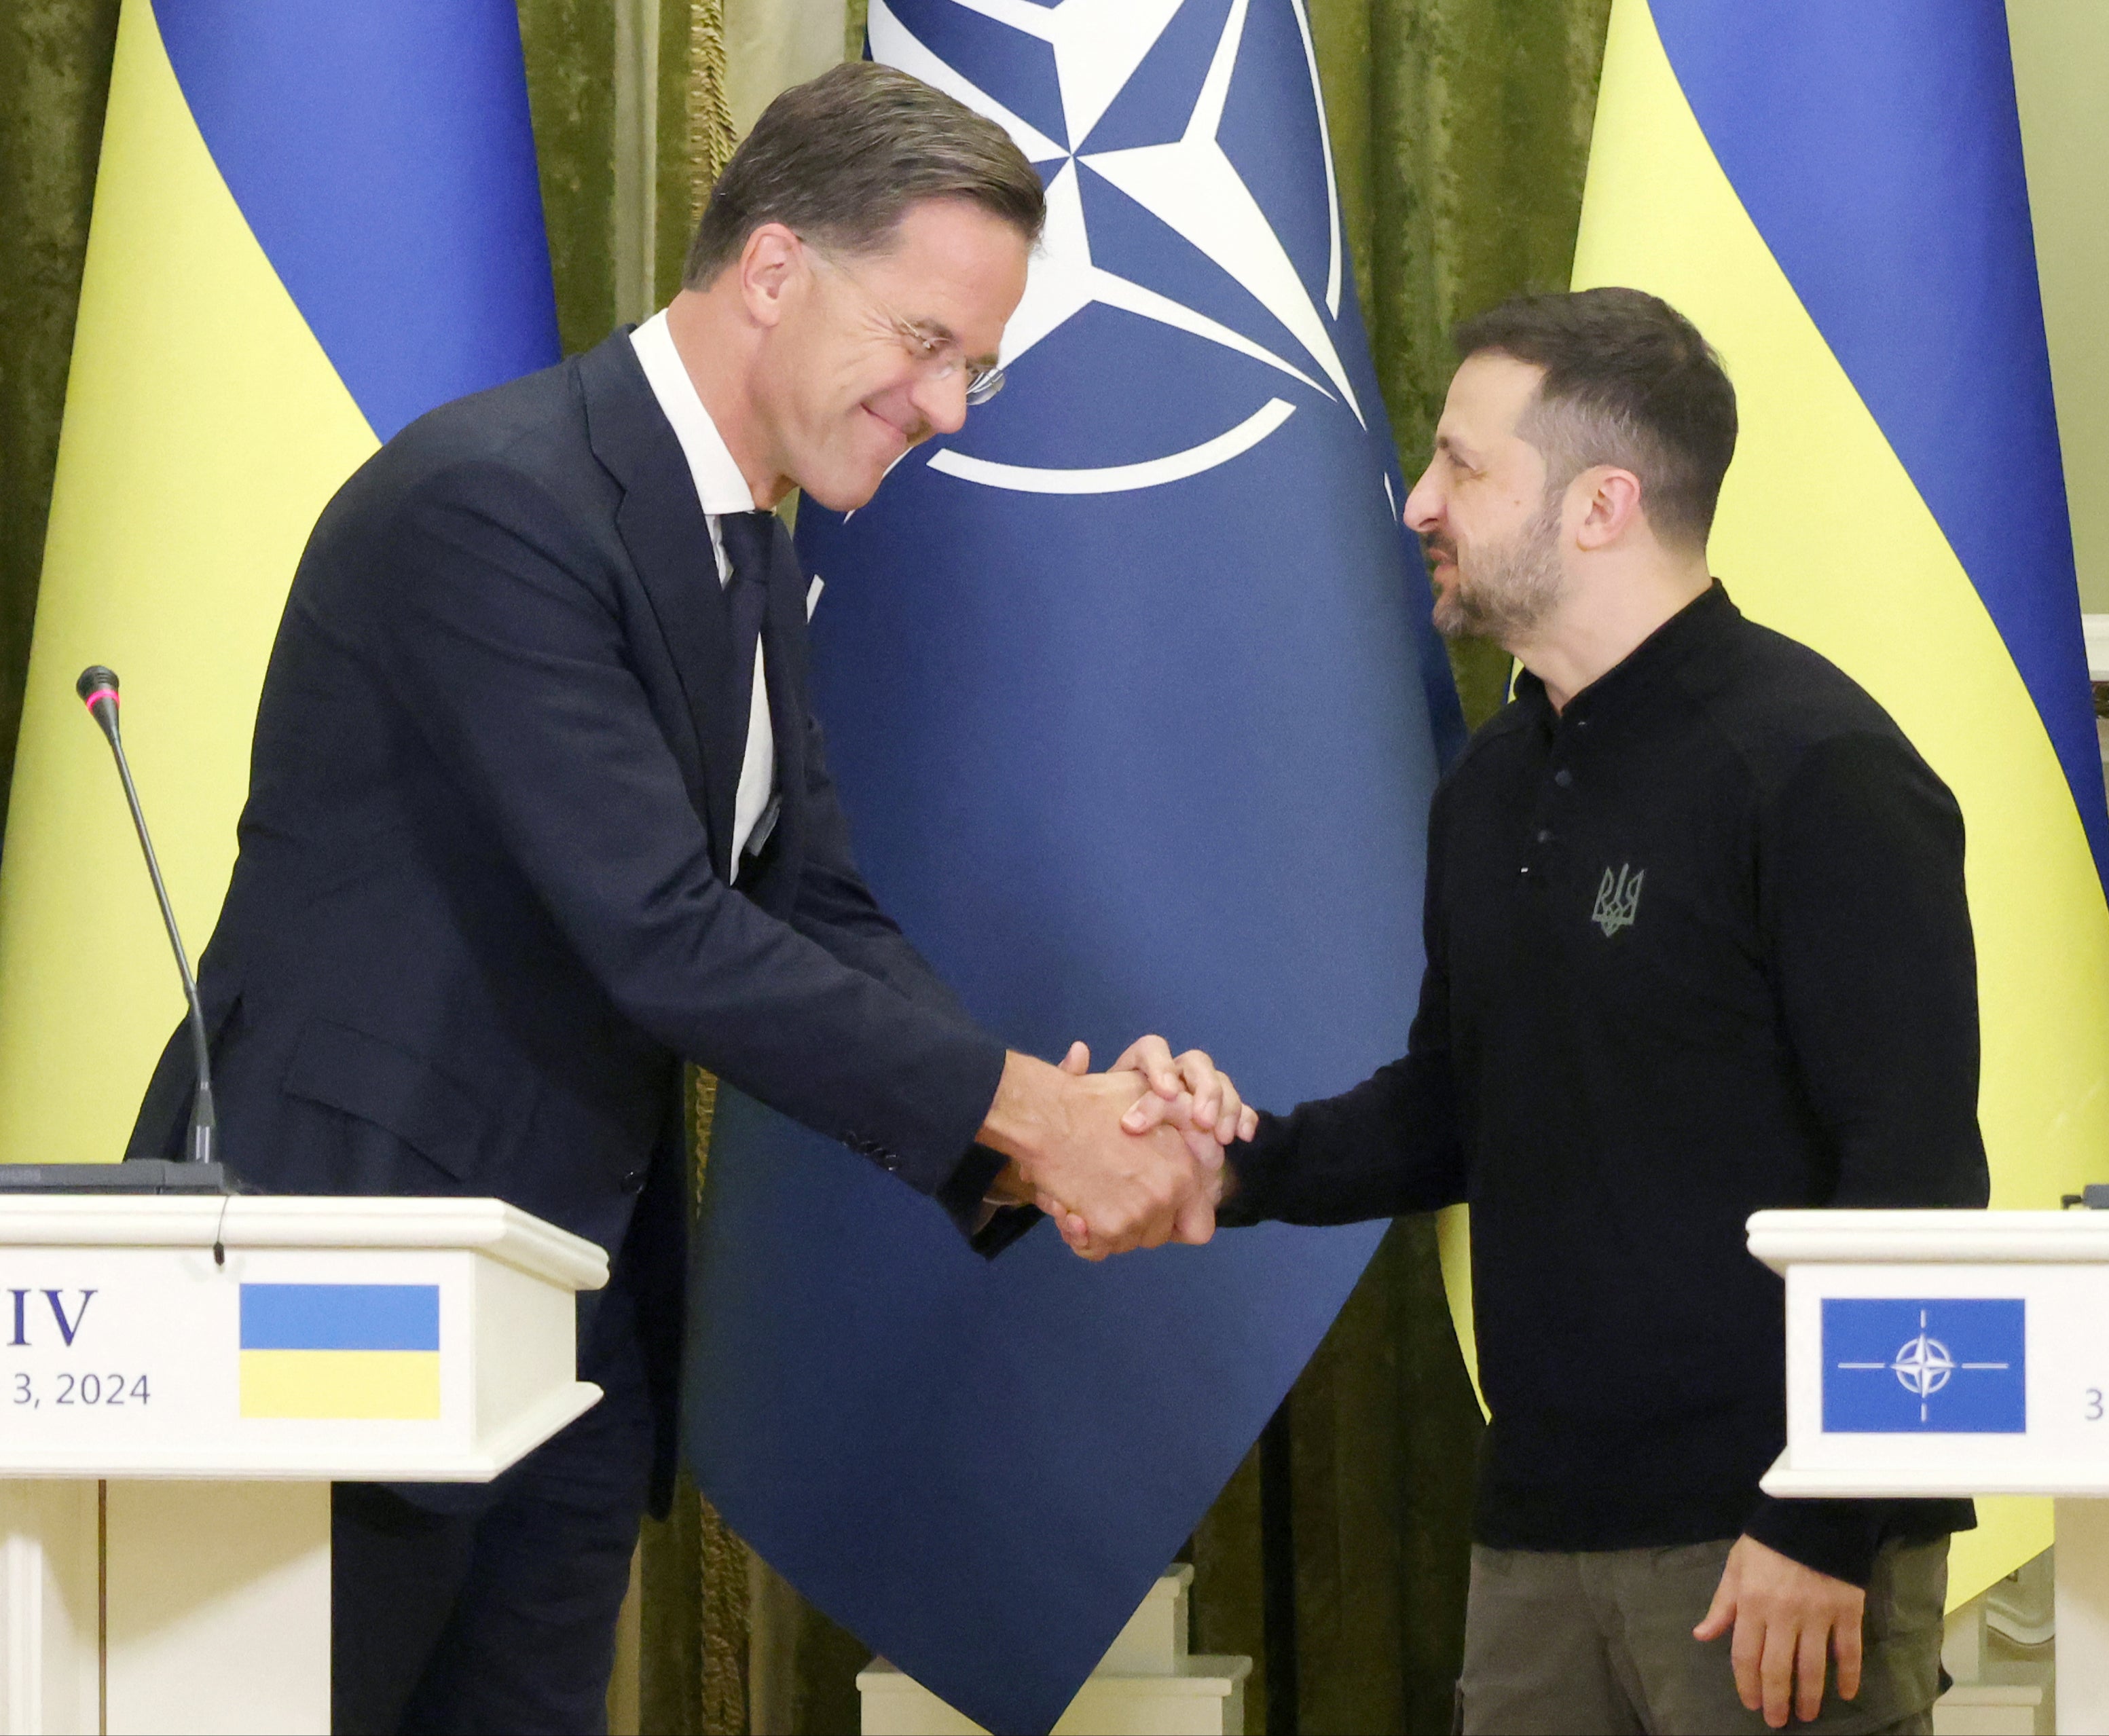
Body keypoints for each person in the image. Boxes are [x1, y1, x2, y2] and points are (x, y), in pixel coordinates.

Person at [128, 62, 1241, 1735]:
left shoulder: (745, 551)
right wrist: (1032, 1114)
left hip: (560, 1339)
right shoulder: (496, 503)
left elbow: (815, 911)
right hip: (337, 1310)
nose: (946, 407)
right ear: (776, 269)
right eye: (925, 344)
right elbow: (660, 931)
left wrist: (1040, 1124)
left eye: (977, 370)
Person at [1092, 288, 1989, 1733]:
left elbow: (1918, 1181)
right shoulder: (1491, 782)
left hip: (1771, 1542)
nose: (1418, 504)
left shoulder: (1817, 770)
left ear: (1599, 506)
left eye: (1462, 465)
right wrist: (1230, 1158)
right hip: (1534, 1531)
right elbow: (1456, 1103)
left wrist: (1825, 1515)